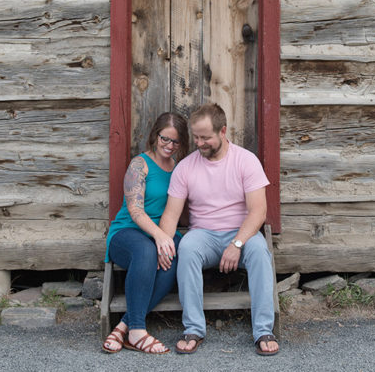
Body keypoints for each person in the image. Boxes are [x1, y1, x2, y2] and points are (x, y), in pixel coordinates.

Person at [157, 103, 280, 356]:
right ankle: (193, 328)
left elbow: (258, 211)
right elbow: (171, 214)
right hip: (204, 235)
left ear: (223, 131)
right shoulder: (186, 167)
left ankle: (263, 330)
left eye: (205, 138)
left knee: (260, 252)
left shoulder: (246, 161)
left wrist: (237, 244)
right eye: (196, 137)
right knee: (187, 247)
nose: (199, 143)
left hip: (242, 233)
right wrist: (163, 243)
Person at [102, 112, 189, 355]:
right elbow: (135, 210)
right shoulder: (139, 165)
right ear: (155, 135)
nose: (169, 145)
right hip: (127, 232)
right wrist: (160, 237)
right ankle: (138, 330)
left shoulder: (178, 170)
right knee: (146, 251)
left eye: (175, 141)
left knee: (175, 255)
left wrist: (165, 238)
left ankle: (124, 327)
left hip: (160, 233)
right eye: (165, 138)